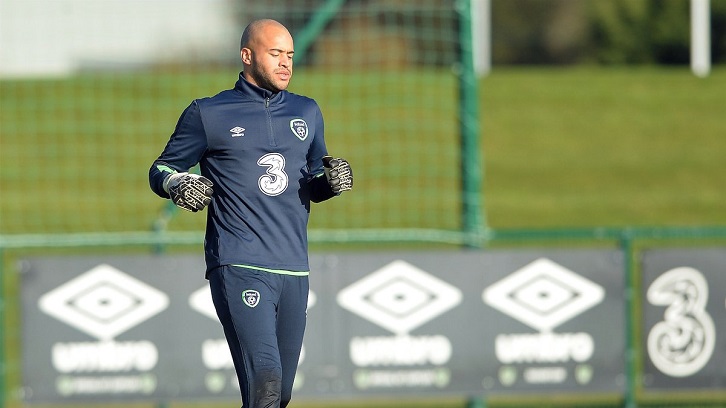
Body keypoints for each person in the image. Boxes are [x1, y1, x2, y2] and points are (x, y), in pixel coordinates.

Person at [148, 19, 352, 408]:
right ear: (247, 56)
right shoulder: (208, 113)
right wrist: (177, 185)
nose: (285, 63)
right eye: (275, 54)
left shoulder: (307, 111)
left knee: (279, 395)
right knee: (267, 381)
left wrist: (331, 182)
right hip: (238, 262)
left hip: (293, 267)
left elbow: (311, 179)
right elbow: (160, 169)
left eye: (290, 55)